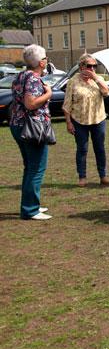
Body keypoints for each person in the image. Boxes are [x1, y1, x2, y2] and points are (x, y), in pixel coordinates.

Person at [10, 44, 53, 220]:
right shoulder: (34, 79)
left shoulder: (19, 76)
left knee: (30, 167)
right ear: (41, 62)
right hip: (32, 128)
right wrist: (48, 93)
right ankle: (30, 209)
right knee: (36, 169)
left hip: (17, 124)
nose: (47, 60)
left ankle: (31, 204)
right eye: (45, 58)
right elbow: (30, 103)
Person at [63, 53, 109, 187]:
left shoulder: (98, 79)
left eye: (94, 66)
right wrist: (68, 122)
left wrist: (96, 78)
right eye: (89, 66)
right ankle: (82, 177)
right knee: (82, 149)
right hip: (79, 121)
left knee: (100, 148)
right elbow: (67, 104)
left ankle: (103, 176)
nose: (92, 69)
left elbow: (107, 92)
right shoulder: (73, 81)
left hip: (98, 119)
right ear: (81, 66)